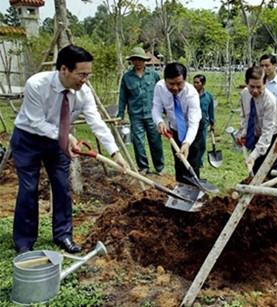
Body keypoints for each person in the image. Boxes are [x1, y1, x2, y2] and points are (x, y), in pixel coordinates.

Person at [10, 44, 129, 254]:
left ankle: (63, 235)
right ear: (64, 69)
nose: (85, 80)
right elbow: (36, 122)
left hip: (58, 143)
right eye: (81, 74)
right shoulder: (36, 84)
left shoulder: (84, 92)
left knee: (62, 186)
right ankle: (24, 242)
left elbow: (97, 123)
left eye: (88, 74)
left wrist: (115, 153)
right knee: (29, 188)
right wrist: (67, 136)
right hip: (28, 139)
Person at [152, 63, 203, 184]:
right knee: (178, 160)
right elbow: (156, 108)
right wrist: (159, 121)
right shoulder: (159, 87)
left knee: (192, 160)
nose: (175, 87)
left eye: (179, 83)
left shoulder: (191, 94)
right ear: (165, 81)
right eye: (171, 84)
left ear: (184, 80)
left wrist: (187, 143)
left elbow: (193, 123)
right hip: (174, 128)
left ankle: (194, 188)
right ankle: (180, 189)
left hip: (193, 128)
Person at [117, 46, 164, 175]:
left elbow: (161, 93)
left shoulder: (153, 75)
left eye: (140, 60)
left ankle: (159, 167)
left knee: (155, 141)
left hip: (152, 114)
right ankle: (143, 167)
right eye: (134, 60)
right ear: (131, 61)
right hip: (135, 114)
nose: (137, 63)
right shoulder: (127, 77)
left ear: (145, 61)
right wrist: (120, 114)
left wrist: (164, 110)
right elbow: (122, 97)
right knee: (138, 141)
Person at [237, 66, 277, 177]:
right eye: (251, 86)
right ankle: (255, 193)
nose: (255, 91)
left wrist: (253, 156)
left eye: (259, 87)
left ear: (265, 84)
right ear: (246, 83)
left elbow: (267, 132)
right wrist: (243, 133)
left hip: (274, 135)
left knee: (269, 171)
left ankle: (271, 194)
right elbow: (245, 116)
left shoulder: (270, 101)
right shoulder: (244, 94)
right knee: (255, 169)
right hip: (256, 133)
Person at [193, 74, 215, 168]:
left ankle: (199, 161)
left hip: (204, 124)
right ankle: (193, 161)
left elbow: (211, 111)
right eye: (194, 82)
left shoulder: (208, 97)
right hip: (192, 123)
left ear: (203, 83)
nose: (195, 84)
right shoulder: (190, 95)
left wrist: (212, 123)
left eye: (198, 82)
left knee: (202, 144)